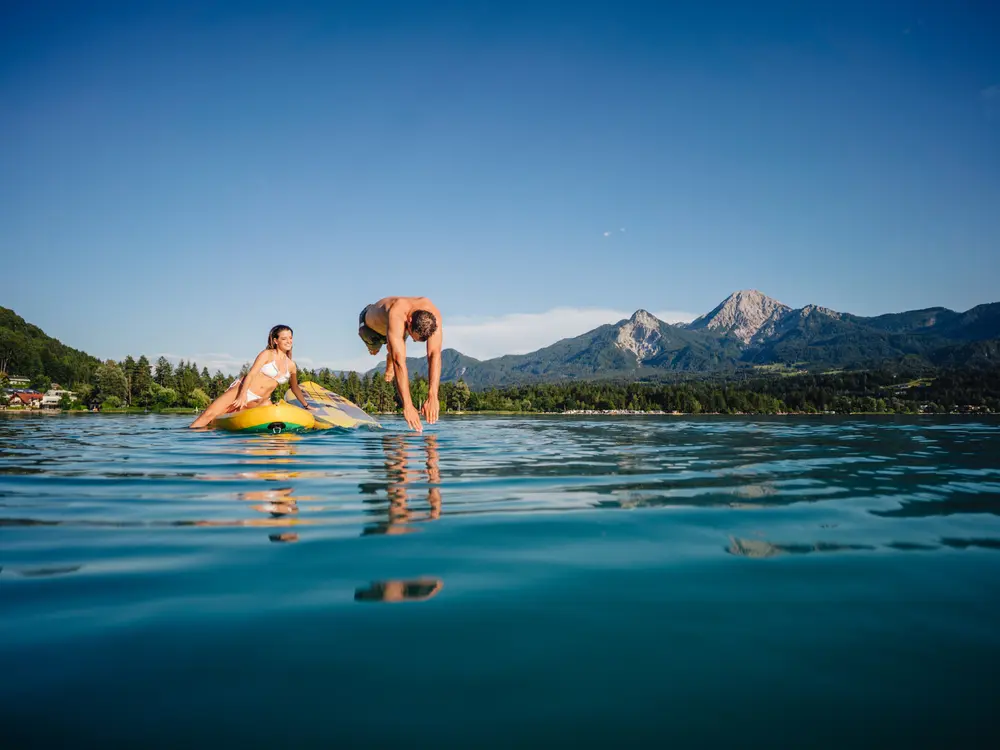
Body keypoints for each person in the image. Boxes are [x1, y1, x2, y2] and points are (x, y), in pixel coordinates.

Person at [189, 324, 311, 429]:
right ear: (275, 341)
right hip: (242, 390)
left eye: (290, 338)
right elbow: (251, 374)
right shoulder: (267, 354)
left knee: (267, 405)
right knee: (209, 415)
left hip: (259, 400)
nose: (289, 341)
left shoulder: (291, 365)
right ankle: (191, 439)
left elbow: (294, 388)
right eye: (284, 338)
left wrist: (307, 406)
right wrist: (242, 395)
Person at [358, 296, 443, 432]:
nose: (414, 342)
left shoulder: (433, 316)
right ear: (409, 321)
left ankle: (391, 351)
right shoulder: (398, 312)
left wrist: (433, 396)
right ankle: (390, 353)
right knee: (375, 351)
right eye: (414, 338)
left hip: (396, 329)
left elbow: (434, 355)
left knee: (397, 343)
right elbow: (400, 363)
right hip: (371, 328)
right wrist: (407, 405)